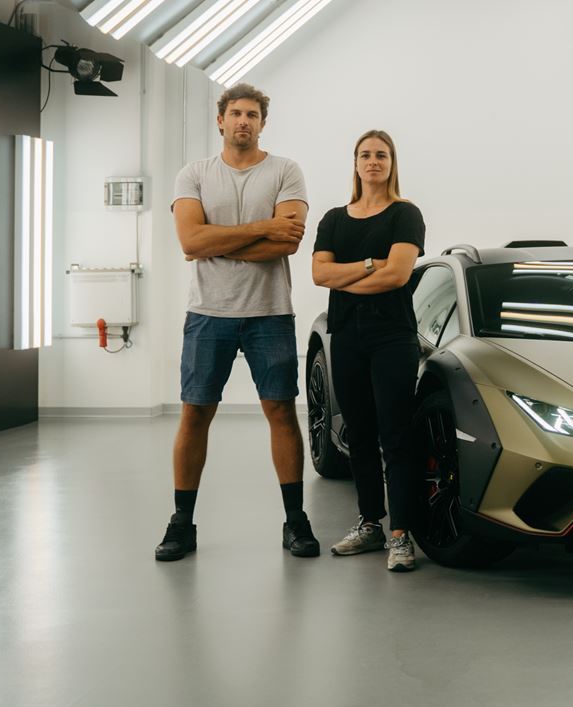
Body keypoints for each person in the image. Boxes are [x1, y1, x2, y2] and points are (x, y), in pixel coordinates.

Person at [157, 83, 316, 562]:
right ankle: (181, 524)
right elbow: (189, 240)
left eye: (252, 114)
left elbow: (286, 242)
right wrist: (260, 227)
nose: (243, 121)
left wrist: (217, 240)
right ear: (220, 121)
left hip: (270, 313)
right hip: (209, 314)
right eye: (235, 113)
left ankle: (296, 521)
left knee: (282, 412)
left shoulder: (285, 171)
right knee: (195, 413)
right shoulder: (195, 174)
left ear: (262, 123)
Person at [311, 130, 427, 574]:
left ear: (392, 162)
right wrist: (366, 265)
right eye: (365, 155)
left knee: (395, 435)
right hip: (348, 337)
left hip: (392, 337)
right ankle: (369, 524)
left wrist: (348, 277)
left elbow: (397, 276)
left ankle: (401, 535)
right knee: (359, 435)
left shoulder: (405, 214)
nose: (373, 161)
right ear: (355, 163)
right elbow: (319, 275)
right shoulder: (334, 219)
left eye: (381, 154)